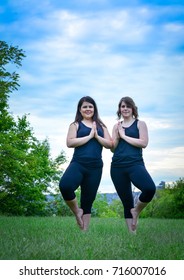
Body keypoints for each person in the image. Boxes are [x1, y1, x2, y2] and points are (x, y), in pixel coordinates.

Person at [59, 96, 112, 231]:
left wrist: (97, 136)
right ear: (80, 109)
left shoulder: (102, 126)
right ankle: (77, 211)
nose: (88, 109)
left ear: (94, 109)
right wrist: (89, 136)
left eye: (90, 106)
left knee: (88, 199)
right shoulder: (75, 125)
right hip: (78, 163)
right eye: (85, 107)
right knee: (65, 186)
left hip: (95, 167)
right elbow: (70, 142)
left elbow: (110, 144)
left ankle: (84, 232)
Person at [110, 96, 156, 233]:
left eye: (128, 106)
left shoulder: (140, 124)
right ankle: (132, 235)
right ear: (119, 109)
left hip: (135, 164)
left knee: (149, 189)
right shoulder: (116, 126)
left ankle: (136, 211)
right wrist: (118, 137)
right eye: (122, 106)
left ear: (133, 109)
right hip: (117, 166)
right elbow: (112, 148)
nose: (125, 109)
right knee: (127, 201)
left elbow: (143, 143)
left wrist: (124, 136)